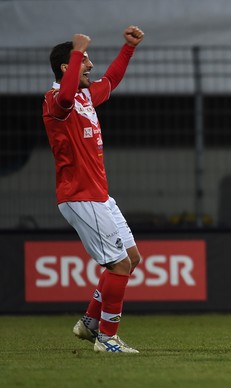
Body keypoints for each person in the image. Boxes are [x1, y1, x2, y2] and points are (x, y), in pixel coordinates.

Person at [42, 26, 145, 353]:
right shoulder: (56, 100)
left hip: (99, 194)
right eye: (85, 61)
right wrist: (76, 52)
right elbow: (66, 97)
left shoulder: (86, 95)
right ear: (67, 67)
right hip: (79, 195)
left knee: (131, 257)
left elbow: (111, 81)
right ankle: (107, 338)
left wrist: (128, 48)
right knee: (118, 265)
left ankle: (89, 323)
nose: (91, 66)